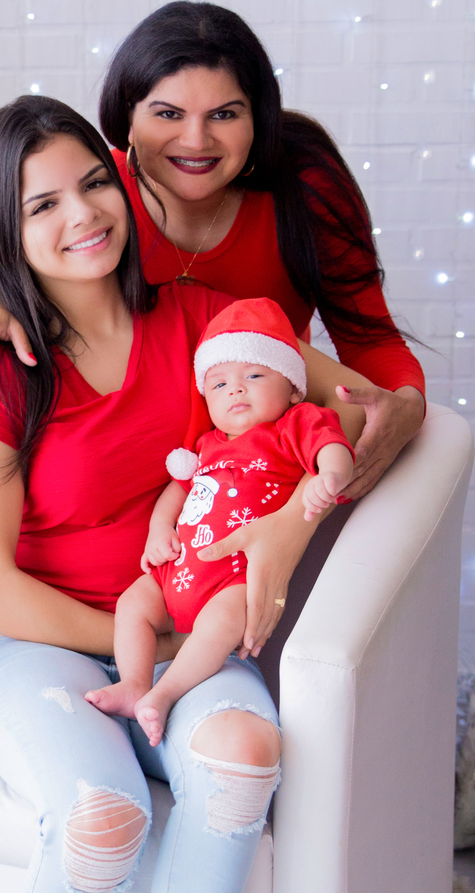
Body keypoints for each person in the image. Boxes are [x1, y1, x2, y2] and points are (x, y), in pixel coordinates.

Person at [0, 94, 375, 893]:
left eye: (93, 181)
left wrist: (290, 519)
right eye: (40, 206)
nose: (82, 214)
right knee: (104, 813)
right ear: (3, 234)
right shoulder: (6, 366)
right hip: (38, 645)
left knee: (242, 756)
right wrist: (122, 628)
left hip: (189, 639)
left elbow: (371, 414)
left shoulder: (206, 322)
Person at [0, 1, 425, 532]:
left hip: (270, 452)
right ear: (126, 120)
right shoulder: (101, 201)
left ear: (258, 118)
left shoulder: (304, 187)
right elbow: (37, 262)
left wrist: (406, 408)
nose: (196, 140)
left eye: (225, 114)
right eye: (168, 114)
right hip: (159, 467)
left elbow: (369, 339)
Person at [86, 298, 354, 747]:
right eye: (220, 383)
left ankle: (165, 693)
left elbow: (331, 443)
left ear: (293, 389)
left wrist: (330, 475)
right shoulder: (206, 445)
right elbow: (177, 491)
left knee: (223, 622)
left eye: (255, 376)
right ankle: (133, 683)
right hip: (178, 570)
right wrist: (159, 530)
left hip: (234, 580)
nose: (236, 390)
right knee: (133, 604)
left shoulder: (294, 425)